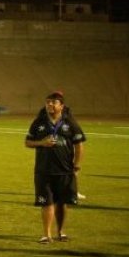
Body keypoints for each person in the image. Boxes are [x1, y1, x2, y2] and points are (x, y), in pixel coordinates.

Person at [25, 91, 85, 243]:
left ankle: (61, 232)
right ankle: (47, 235)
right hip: (43, 170)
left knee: (62, 203)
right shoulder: (39, 122)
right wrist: (42, 143)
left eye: (53, 102)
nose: (50, 104)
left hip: (65, 170)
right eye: (48, 102)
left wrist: (77, 166)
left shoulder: (70, 123)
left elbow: (79, 145)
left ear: (61, 106)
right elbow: (27, 142)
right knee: (46, 202)